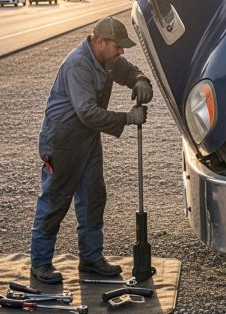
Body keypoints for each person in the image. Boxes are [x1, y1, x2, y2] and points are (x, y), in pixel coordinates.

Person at [29, 17, 153, 283]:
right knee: (55, 199)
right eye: (117, 46)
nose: (121, 51)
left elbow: (125, 69)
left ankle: (91, 259)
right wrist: (127, 118)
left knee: (94, 196)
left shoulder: (106, 60)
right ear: (99, 42)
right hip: (62, 141)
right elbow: (86, 112)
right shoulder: (78, 64)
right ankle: (40, 264)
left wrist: (140, 80)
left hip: (86, 139)